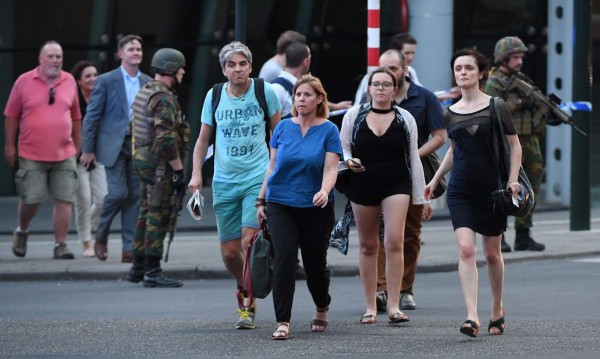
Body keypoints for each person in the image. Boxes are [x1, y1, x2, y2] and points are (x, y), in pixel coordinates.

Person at [425, 48, 521, 337]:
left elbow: (515, 146)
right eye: (458, 68)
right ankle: (472, 316)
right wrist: (434, 180)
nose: (462, 72)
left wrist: (512, 180)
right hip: (460, 191)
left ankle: (496, 308)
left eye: (468, 68)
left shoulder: (497, 106)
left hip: (493, 190)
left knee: (492, 254)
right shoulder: (449, 113)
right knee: (466, 249)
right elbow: (454, 151)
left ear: (481, 74)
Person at [188, 41, 281, 329]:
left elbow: (279, 135)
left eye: (243, 63)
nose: (238, 69)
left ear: (250, 67)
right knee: (229, 252)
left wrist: (274, 170)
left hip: (256, 178)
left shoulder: (265, 91)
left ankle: (248, 304)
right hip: (224, 181)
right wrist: (196, 174)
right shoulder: (214, 95)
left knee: (248, 241)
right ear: (224, 69)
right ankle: (245, 286)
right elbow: (203, 140)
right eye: (232, 64)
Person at [257, 74, 341, 340]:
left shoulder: (329, 129)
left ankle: (322, 304)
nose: (301, 99)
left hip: (315, 204)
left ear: (319, 99)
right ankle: (283, 320)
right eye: (298, 95)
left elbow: (331, 168)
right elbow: (271, 167)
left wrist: (325, 191)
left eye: (306, 95)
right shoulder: (281, 127)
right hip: (281, 202)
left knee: (315, 264)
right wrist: (261, 200)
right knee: (283, 259)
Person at [341, 68, 427, 325]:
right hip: (363, 180)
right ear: (368, 89)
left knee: (394, 241)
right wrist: (348, 160)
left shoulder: (405, 117)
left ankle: (393, 305)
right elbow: (343, 146)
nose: (380, 88)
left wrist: (422, 197)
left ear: (394, 89)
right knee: (368, 245)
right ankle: (370, 306)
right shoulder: (354, 115)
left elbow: (413, 157)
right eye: (375, 84)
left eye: (386, 85)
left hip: (396, 183)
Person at [367, 49, 444, 312]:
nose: (387, 74)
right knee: (379, 234)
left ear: (405, 69)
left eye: (393, 69)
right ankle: (380, 288)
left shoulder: (424, 98)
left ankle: (404, 289)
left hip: (412, 174)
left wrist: (412, 156)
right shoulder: (373, 95)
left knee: (409, 234)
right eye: (383, 69)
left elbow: (440, 137)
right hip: (377, 176)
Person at [4, 40, 81, 259]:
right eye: (51, 56)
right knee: (31, 199)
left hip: (64, 152)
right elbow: (11, 116)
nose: (55, 60)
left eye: (59, 57)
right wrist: (9, 146)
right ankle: (22, 230)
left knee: (64, 199)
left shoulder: (69, 81)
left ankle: (61, 245)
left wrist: (78, 145)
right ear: (40, 58)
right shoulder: (24, 81)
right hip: (31, 153)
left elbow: (76, 117)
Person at [81, 34, 152, 263]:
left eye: (139, 49)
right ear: (121, 54)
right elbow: (91, 117)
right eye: (131, 49)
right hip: (113, 145)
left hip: (138, 145)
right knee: (118, 193)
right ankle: (100, 236)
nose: (136, 53)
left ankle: (128, 247)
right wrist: (88, 149)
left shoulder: (148, 82)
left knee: (135, 196)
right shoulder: (105, 80)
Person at [126, 48, 188, 288]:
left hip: (143, 159)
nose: (183, 72)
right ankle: (152, 270)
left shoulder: (146, 90)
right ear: (171, 68)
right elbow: (165, 138)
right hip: (159, 165)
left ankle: (137, 268)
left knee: (145, 211)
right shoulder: (163, 98)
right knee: (158, 215)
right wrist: (179, 169)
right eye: (180, 67)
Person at [484, 36, 546, 253]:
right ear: (503, 59)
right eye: (515, 57)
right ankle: (499, 234)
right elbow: (493, 107)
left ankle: (523, 234)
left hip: (530, 141)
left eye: (521, 57)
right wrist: (520, 102)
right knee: (504, 187)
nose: (519, 61)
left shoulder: (523, 79)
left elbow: (536, 104)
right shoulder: (495, 81)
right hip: (508, 142)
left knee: (531, 187)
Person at [70, 60, 107, 258]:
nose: (93, 79)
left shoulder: (101, 97)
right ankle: (86, 242)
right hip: (76, 158)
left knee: (103, 199)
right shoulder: (73, 100)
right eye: (88, 76)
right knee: (83, 199)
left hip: (98, 155)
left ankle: (89, 227)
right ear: (78, 81)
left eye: (95, 75)